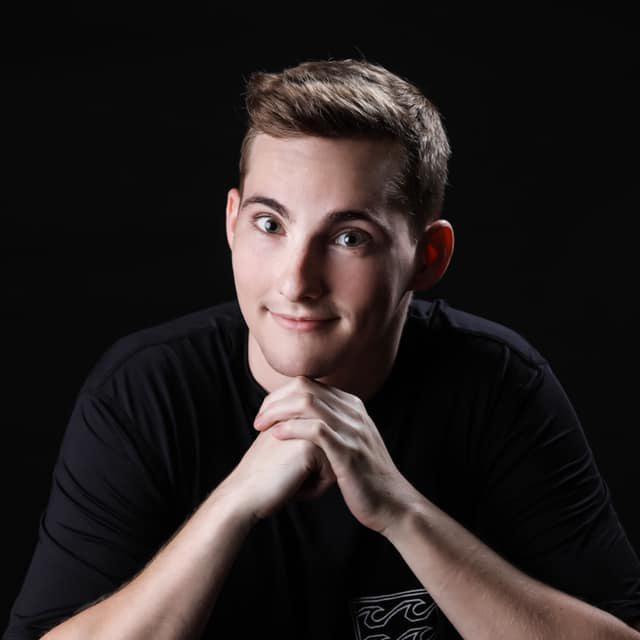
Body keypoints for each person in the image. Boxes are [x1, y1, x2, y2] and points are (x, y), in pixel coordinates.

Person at [4, 58, 640, 640]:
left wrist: (400, 511)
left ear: (428, 257)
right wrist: (231, 505)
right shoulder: (145, 390)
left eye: (349, 238)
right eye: (270, 224)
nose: (296, 282)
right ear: (232, 223)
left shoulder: (498, 383)